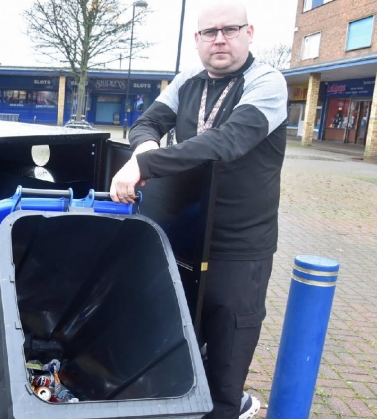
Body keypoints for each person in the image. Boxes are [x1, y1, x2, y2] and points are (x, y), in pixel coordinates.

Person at [110, 1, 287, 418]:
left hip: (239, 246)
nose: (219, 39)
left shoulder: (267, 82)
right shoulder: (187, 80)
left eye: (230, 29)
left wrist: (144, 165)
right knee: (176, 341)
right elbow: (145, 124)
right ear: (197, 40)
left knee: (226, 358)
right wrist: (146, 147)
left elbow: (226, 142)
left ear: (249, 32)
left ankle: (229, 408)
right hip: (184, 236)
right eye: (210, 32)